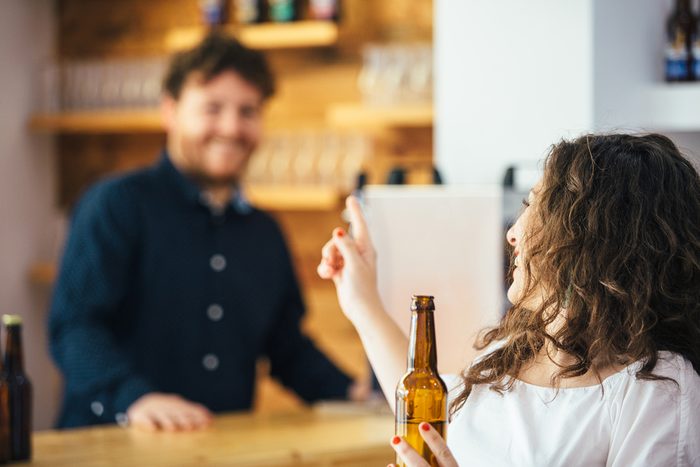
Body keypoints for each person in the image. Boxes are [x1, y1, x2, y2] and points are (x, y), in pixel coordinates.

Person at [318, 133, 700, 466]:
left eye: (538, 207)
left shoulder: (657, 387)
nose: (513, 234)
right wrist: (361, 300)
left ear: (595, 238)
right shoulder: (509, 353)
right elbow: (424, 404)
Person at [49, 32, 363, 431]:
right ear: (170, 111)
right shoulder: (115, 204)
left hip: (218, 451)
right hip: (108, 448)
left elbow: (288, 349)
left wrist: (359, 395)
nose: (231, 128)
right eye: (212, 108)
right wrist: (135, 398)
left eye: (247, 111)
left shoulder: (264, 231)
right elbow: (74, 328)